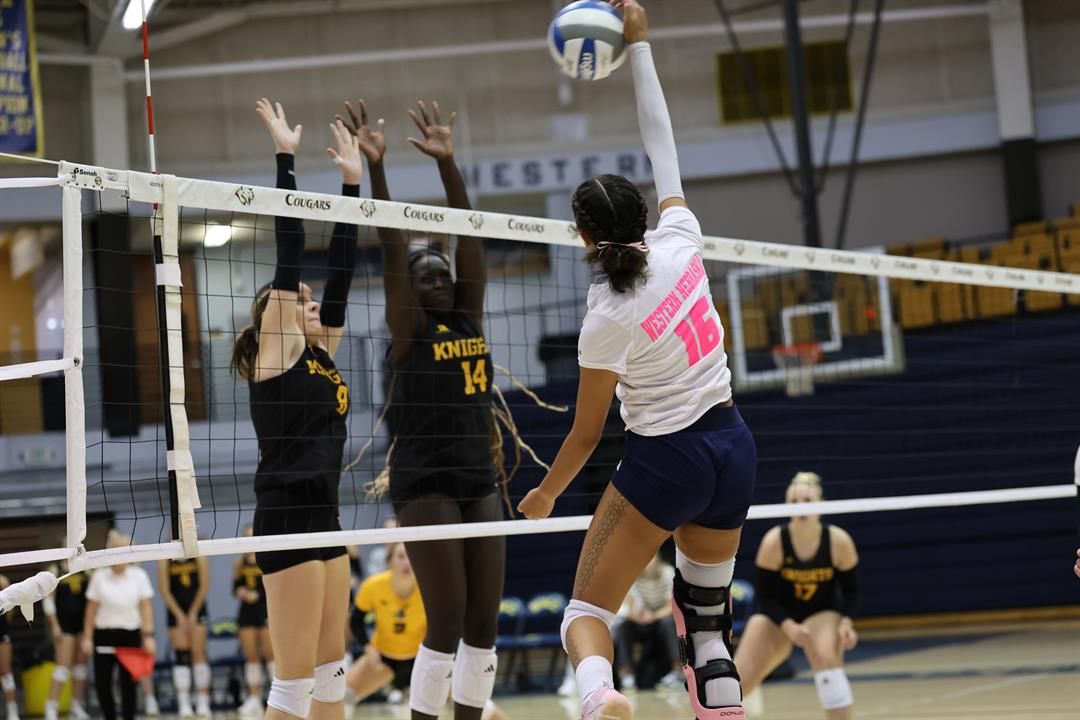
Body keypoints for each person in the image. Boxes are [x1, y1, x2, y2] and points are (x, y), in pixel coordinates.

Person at [517, 3, 757, 719]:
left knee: (584, 613)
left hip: (666, 461)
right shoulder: (682, 237)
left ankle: (599, 698)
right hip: (733, 446)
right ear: (645, 214)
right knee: (706, 624)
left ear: (583, 236)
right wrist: (642, 44)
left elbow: (587, 434)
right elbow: (662, 141)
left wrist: (546, 494)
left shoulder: (606, 316)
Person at [335, 97, 503, 720]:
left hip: (477, 475)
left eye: (442, 272)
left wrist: (447, 163)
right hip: (424, 480)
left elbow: (468, 233)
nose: (437, 278)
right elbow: (391, 243)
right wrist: (377, 169)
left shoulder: (469, 314)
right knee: (449, 616)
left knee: (484, 621)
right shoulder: (408, 331)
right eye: (425, 274)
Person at [231, 98, 362, 720]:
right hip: (286, 515)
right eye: (300, 300)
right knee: (295, 682)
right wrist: (286, 158)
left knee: (332, 675)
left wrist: (353, 186)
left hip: (326, 512)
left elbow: (342, 271)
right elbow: (290, 255)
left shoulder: (320, 352)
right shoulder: (277, 353)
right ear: (274, 317)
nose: (313, 304)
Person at [733, 473, 860, 720]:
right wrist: (788, 626)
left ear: (821, 503)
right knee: (738, 682)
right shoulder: (774, 541)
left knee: (828, 662)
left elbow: (852, 592)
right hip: (777, 616)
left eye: (807, 500)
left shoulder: (838, 541)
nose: (801, 506)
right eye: (794, 501)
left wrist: (846, 622)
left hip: (821, 613)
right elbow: (766, 598)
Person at [343, 544, 507, 720]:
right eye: (400, 557)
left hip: (424, 657)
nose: (406, 562)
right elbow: (356, 621)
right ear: (390, 561)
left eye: (409, 556)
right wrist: (368, 647)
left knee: (476, 700)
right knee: (343, 697)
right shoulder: (373, 586)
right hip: (384, 658)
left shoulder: (430, 587)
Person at [80, 534, 156, 720]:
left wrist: (148, 636)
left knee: (128, 683)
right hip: (104, 635)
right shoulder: (99, 576)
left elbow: (145, 608)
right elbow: (90, 611)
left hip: (130, 634)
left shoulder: (138, 576)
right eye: (116, 550)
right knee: (103, 683)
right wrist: (87, 638)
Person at [615, 553, 682, 690]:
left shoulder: (668, 573)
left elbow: (671, 605)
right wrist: (639, 616)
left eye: (652, 557)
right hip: (642, 619)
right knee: (624, 627)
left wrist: (655, 615)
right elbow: (630, 606)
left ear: (658, 559)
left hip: (661, 617)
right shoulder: (632, 575)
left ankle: (677, 672)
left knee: (669, 623)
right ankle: (627, 675)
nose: (648, 561)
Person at [157, 557, 211, 718]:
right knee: (181, 655)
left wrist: (193, 612)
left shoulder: (199, 555)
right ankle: (184, 704)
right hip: (175, 610)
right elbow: (164, 590)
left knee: (198, 653)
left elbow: (204, 585)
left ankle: (203, 703)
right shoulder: (165, 558)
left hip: (197, 608)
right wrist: (179, 614)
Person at [233, 527, 273, 720]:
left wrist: (259, 594)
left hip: (266, 610)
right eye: (246, 537)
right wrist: (240, 592)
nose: (249, 539)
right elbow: (235, 586)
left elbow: (274, 584)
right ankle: (254, 698)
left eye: (252, 536)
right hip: (246, 613)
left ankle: (275, 696)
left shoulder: (266, 559)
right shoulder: (239, 563)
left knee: (271, 655)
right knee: (251, 656)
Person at [43, 560, 90, 720]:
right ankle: (51, 707)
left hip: (81, 623)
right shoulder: (55, 569)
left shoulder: (85, 568)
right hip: (64, 624)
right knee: (62, 668)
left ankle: (76, 706)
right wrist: (54, 625)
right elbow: (48, 600)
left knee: (80, 668)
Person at [0, 577, 18, 720]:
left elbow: (10, 610)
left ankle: (13, 712)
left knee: (6, 673)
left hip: (2, 630)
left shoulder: (2, 581)